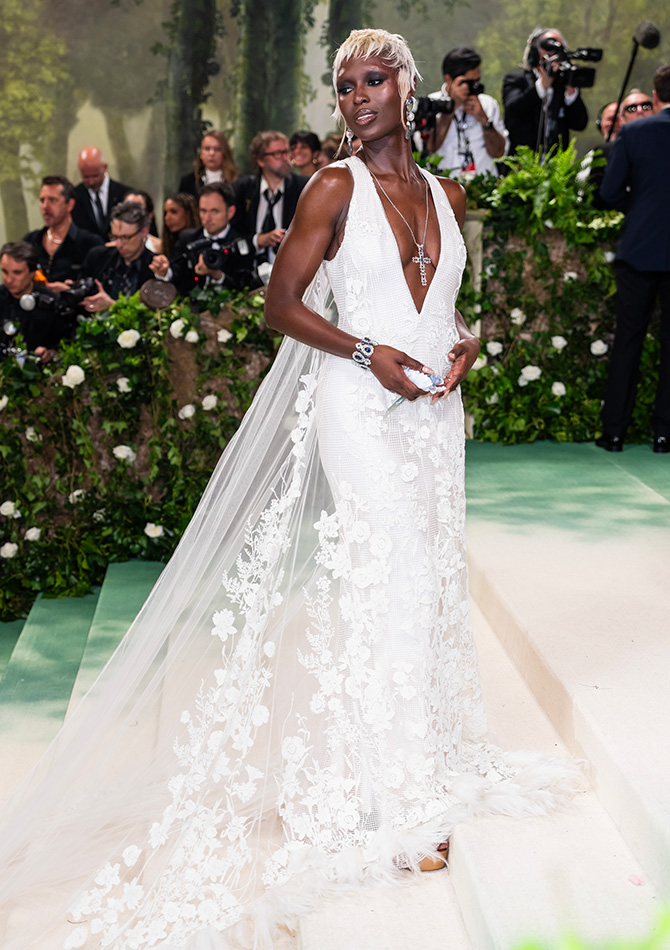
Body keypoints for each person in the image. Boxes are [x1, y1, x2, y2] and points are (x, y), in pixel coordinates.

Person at [0, 30, 581, 950]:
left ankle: (422, 752)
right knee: (382, 576)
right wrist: (365, 352)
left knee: (425, 576)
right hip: (361, 404)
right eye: (344, 84)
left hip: (434, 414)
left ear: (408, 89)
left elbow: (441, 301)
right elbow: (283, 304)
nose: (356, 96)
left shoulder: (445, 190)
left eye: (373, 80)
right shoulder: (331, 188)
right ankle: (394, 798)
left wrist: (465, 344)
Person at [597, 65, 670, 453]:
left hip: (639, 249)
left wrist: (641, 208)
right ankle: (665, 434)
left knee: (627, 340)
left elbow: (609, 193)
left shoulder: (635, 131)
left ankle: (614, 433)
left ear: (655, 98)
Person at [151, 181, 255, 295]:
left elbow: (244, 287)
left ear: (230, 212)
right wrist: (164, 271)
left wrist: (217, 276)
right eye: (203, 211)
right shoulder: (188, 238)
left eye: (214, 211)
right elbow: (177, 273)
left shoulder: (242, 244)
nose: (207, 218)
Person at [503, 28, 588, 155]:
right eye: (549, 47)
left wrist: (571, 93)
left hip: (555, 164)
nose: (554, 55)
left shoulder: (562, 84)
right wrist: (543, 84)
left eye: (559, 49)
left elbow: (580, 123)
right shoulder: (516, 80)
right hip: (523, 163)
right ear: (534, 52)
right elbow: (513, 109)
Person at [424, 46, 508, 175]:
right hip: (446, 188)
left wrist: (484, 120)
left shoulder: (488, 104)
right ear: (448, 79)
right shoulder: (432, 104)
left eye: (477, 81)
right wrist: (450, 108)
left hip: (485, 187)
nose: (473, 87)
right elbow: (429, 149)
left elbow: (499, 153)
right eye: (468, 82)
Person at [233, 130, 308, 265]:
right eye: (278, 154)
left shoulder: (303, 187)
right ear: (260, 160)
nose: (286, 158)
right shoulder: (242, 189)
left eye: (287, 152)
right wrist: (258, 241)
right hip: (249, 273)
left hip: (291, 269)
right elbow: (232, 235)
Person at [23, 175, 103, 291]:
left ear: (70, 205)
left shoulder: (90, 244)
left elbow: (99, 288)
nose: (45, 206)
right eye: (42, 200)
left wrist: (70, 291)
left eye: (52, 200)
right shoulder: (30, 241)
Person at [0, 242, 72, 361]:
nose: (9, 279)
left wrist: (51, 353)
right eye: (5, 271)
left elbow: (64, 343)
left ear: (32, 273)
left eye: (17, 273)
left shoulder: (52, 303)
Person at [80, 200, 155, 312]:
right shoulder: (98, 257)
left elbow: (151, 317)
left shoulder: (155, 267)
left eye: (126, 237)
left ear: (144, 232)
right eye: (115, 237)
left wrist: (112, 306)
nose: (119, 244)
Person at [72, 147, 132, 240]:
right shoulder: (74, 197)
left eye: (95, 176)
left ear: (105, 167)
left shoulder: (124, 194)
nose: (91, 182)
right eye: (86, 177)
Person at [178, 129, 239, 197]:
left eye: (217, 149)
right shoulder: (188, 182)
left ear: (224, 153)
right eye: (207, 148)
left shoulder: (237, 182)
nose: (212, 153)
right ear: (201, 153)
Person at [160, 192, 200, 261]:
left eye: (173, 212)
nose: (167, 218)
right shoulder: (168, 246)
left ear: (188, 214)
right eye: (165, 213)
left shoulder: (201, 242)